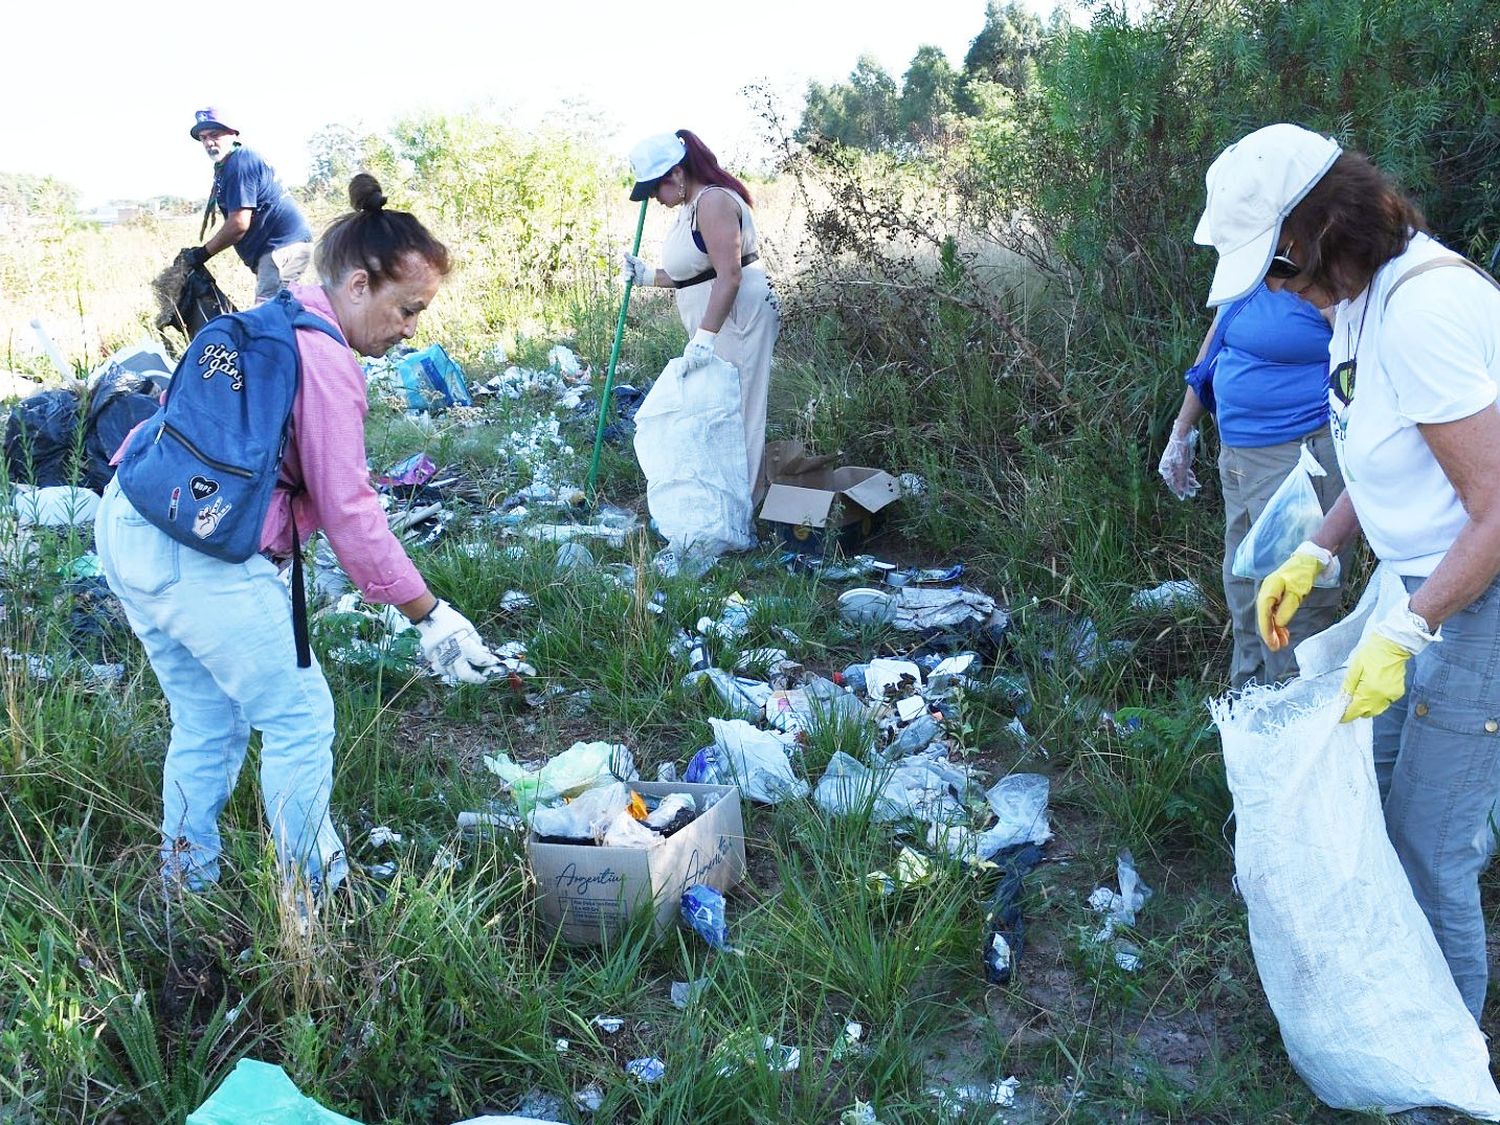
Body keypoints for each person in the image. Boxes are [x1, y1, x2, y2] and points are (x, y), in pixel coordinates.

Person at [97, 173, 502, 895]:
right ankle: (316, 900)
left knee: (207, 718)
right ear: (356, 284)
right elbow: (350, 511)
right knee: (297, 711)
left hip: (130, 519)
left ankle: (185, 885)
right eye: (407, 308)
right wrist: (429, 615)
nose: (413, 328)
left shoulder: (271, 317)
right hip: (197, 552)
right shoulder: (326, 359)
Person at [1199, 123, 1500, 1021]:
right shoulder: (1357, 308)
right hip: (1418, 586)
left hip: (1474, 600)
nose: (1284, 294)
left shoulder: (1424, 311)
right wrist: (1318, 547)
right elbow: (1386, 458)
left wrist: (1415, 626)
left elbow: (1495, 507)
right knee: (1373, 788)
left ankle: (1445, 1071)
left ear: (1323, 235)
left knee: (1428, 841)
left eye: (1283, 271)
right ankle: (1395, 1007)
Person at [1158, 280, 1344, 687]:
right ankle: (1249, 709)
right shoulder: (1246, 269)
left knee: (1289, 605)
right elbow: (1217, 340)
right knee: (1243, 589)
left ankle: (1292, 722)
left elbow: (1360, 357)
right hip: (1238, 456)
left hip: (1297, 460)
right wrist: (1182, 429)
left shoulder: (1317, 273)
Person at [620, 130, 781, 500]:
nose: (654, 200)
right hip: (717, 320)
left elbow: (730, 273)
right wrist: (646, 276)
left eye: (653, 189)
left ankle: (744, 512)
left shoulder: (713, 202)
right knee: (719, 409)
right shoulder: (688, 209)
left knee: (739, 411)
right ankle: (729, 500)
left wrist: (705, 337)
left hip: (737, 318)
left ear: (676, 175)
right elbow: (694, 274)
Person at [179, 107, 314, 302]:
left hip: (282, 246)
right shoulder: (230, 164)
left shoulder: (240, 164)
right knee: (283, 311)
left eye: (214, 135)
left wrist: (202, 253)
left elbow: (238, 225)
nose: (208, 142)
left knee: (267, 316)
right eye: (203, 138)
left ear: (232, 134)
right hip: (280, 247)